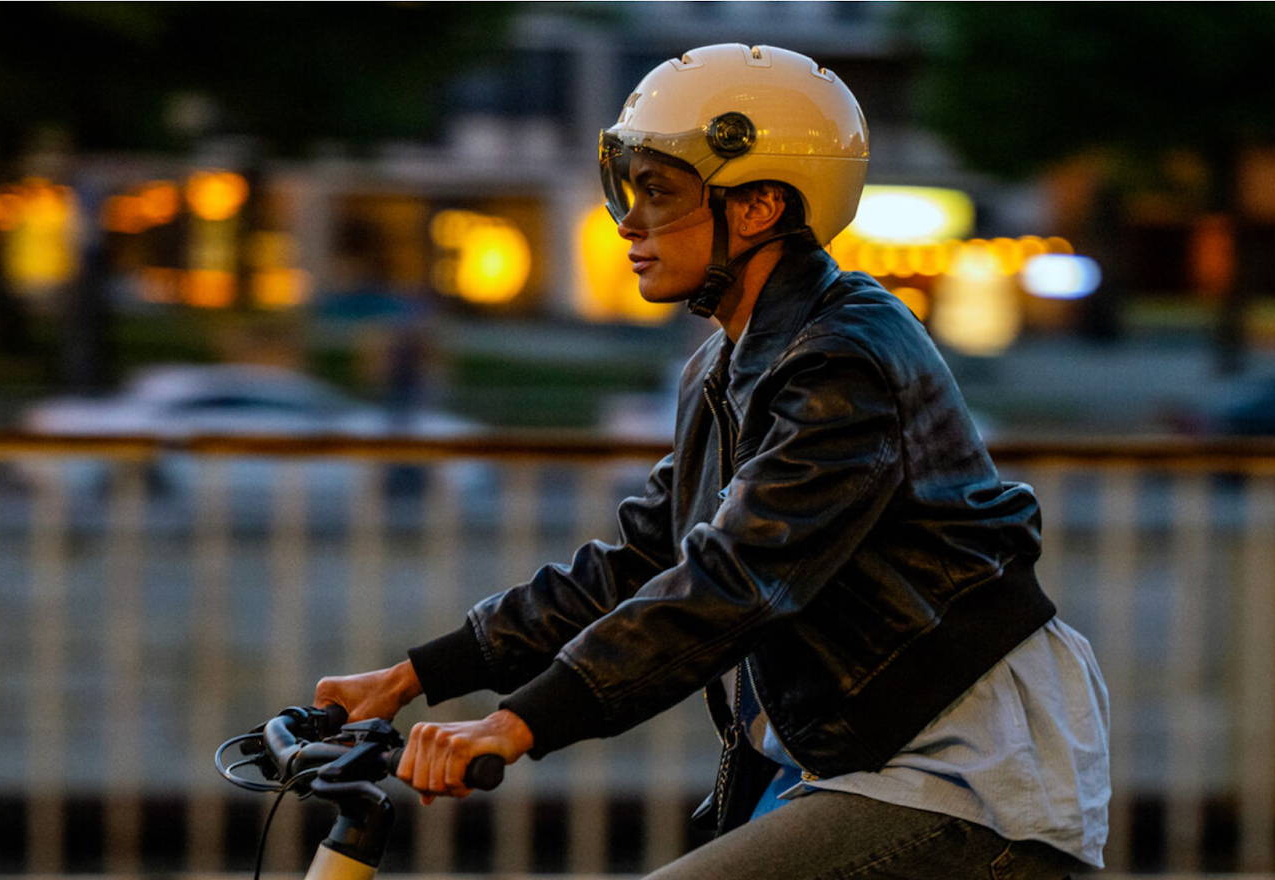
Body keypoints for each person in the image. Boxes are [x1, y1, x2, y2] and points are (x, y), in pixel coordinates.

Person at [315, 44, 1110, 878]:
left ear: (761, 205)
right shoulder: (725, 365)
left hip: (967, 769)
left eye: (659, 192)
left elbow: (737, 580)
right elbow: (642, 561)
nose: (629, 222)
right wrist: (414, 675)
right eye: (628, 191)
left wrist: (518, 723)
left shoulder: (842, 359)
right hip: (855, 753)